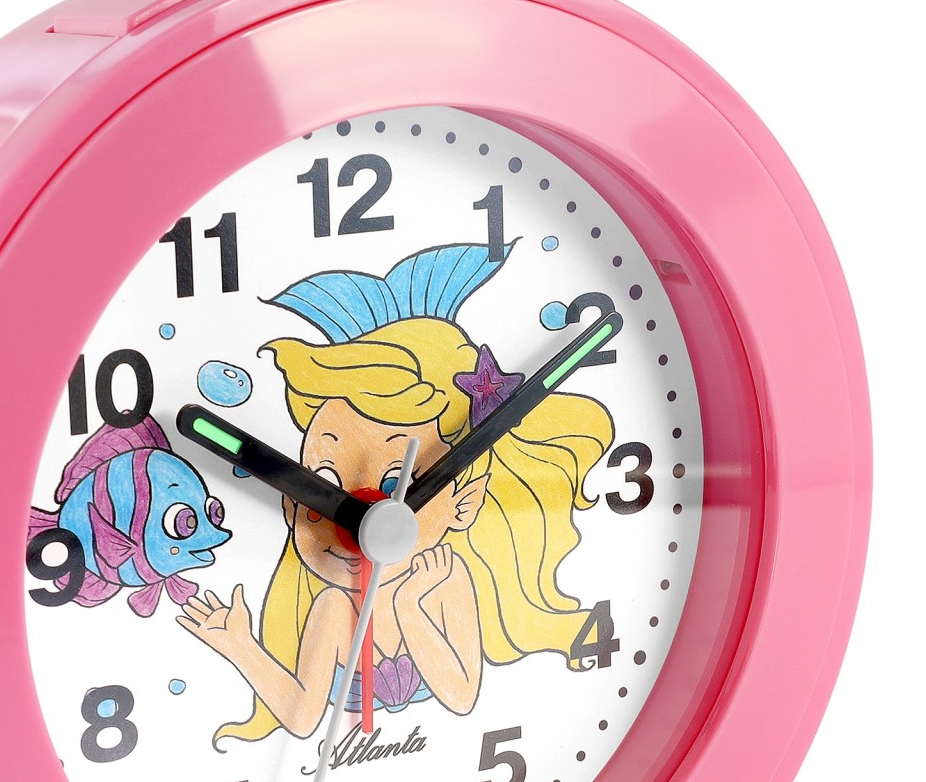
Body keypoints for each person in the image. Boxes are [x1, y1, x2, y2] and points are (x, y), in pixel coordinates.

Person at [177, 243, 614, 748]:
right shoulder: (332, 607)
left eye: (396, 486)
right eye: (320, 479)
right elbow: (301, 717)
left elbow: (461, 695)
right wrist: (239, 644)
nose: (369, 510)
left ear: (462, 502)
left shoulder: (447, 581)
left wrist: (409, 605)